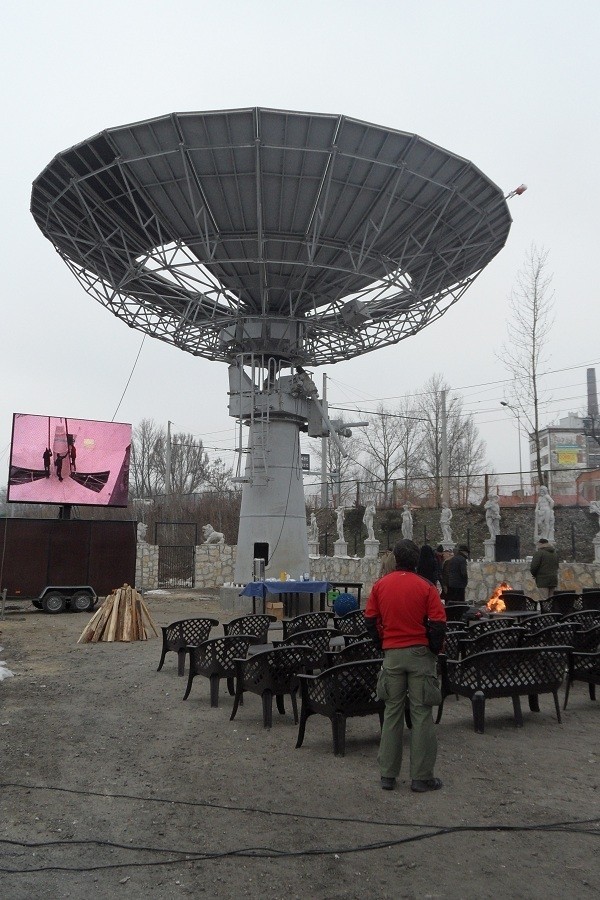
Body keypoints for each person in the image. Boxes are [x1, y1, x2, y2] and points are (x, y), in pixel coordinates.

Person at [364, 539, 446, 793]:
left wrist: (382, 644)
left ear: (396, 559)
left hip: (393, 654)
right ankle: (421, 777)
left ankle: (388, 774)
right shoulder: (426, 586)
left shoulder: (380, 586)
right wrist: (432, 649)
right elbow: (438, 622)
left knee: (392, 712)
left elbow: (370, 619)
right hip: (420, 653)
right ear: (417, 561)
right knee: (421, 714)